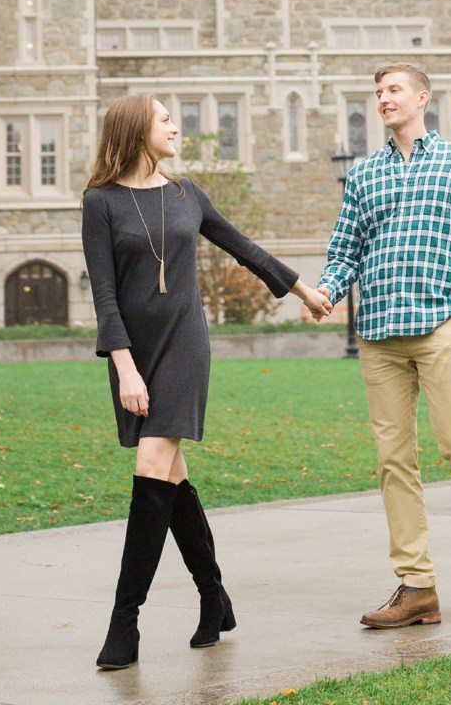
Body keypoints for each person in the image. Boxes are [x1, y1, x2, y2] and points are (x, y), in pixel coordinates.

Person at [80, 94, 329, 671]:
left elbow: (245, 249)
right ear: (136, 131)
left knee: (150, 468)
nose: (175, 127)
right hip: (135, 353)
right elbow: (105, 296)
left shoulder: (188, 194)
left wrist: (303, 291)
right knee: (170, 475)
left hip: (186, 347)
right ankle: (214, 597)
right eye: (165, 119)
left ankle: (125, 624)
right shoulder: (101, 203)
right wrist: (124, 368)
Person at [313, 62, 451, 628]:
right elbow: (344, 251)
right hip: (378, 335)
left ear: (422, 98)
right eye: (378, 92)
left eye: (394, 90)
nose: (383, 99)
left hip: (440, 327)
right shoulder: (363, 175)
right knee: (393, 461)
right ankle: (417, 585)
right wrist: (326, 290)